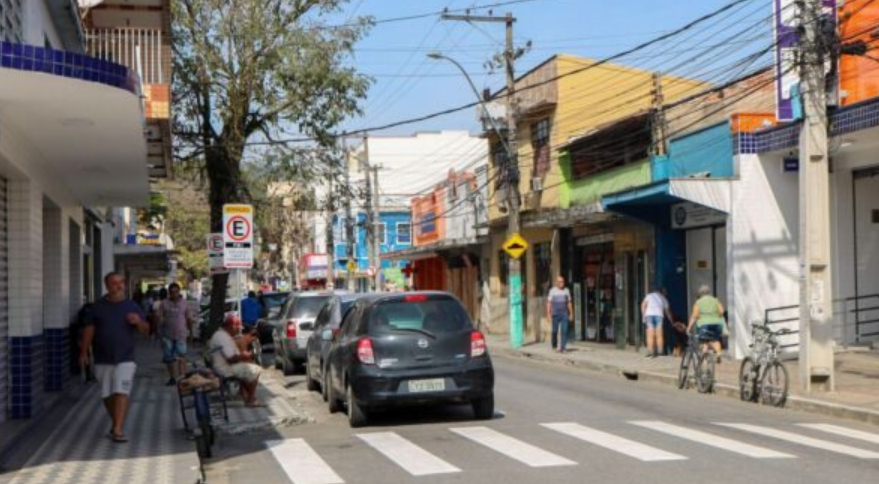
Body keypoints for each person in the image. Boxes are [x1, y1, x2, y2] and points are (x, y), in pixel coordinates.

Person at [79, 272, 150, 443]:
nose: (119, 286)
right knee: (107, 395)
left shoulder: (131, 306)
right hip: (102, 358)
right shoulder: (97, 307)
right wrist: (83, 352)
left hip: (125, 357)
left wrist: (138, 322)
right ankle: (116, 422)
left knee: (121, 391)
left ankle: (117, 429)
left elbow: (146, 331)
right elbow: (89, 329)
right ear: (107, 286)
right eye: (114, 283)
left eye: (121, 283)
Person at [209, 313, 264, 407]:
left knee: (246, 368)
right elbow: (231, 358)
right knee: (256, 370)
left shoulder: (221, 334)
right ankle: (251, 400)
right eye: (237, 327)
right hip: (224, 369)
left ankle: (243, 395)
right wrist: (244, 356)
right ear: (231, 326)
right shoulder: (222, 337)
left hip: (222, 366)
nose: (238, 330)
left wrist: (243, 358)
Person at [158, 282, 195, 386]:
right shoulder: (164, 303)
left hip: (181, 335)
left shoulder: (184, 303)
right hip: (167, 335)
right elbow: (159, 317)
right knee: (169, 358)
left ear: (179, 292)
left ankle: (182, 378)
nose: (174, 294)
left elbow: (189, 319)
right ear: (169, 293)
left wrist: (191, 333)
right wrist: (158, 332)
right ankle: (172, 378)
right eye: (171, 292)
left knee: (182, 356)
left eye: (176, 292)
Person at [686, 285, 728, 363]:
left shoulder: (698, 302)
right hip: (717, 324)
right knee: (715, 339)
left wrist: (689, 328)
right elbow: (722, 311)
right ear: (709, 292)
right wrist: (714, 316)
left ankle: (704, 357)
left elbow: (694, 316)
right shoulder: (715, 300)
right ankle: (718, 354)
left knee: (704, 341)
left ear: (700, 294)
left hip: (704, 324)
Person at [641, 286, 673, 359]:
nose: (666, 294)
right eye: (665, 292)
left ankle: (650, 353)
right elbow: (667, 312)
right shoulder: (663, 298)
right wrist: (672, 321)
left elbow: (643, 305)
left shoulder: (648, 296)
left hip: (649, 315)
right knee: (659, 335)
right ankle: (660, 353)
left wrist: (643, 316)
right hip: (659, 315)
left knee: (650, 335)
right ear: (662, 292)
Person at [546, 276, 574, 353]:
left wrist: (571, 313)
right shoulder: (552, 291)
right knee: (554, 331)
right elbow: (549, 303)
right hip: (555, 314)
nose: (562, 283)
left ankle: (563, 347)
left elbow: (569, 302)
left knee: (564, 331)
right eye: (560, 282)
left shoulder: (566, 290)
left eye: (563, 281)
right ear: (557, 283)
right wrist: (548, 314)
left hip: (564, 314)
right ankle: (554, 345)